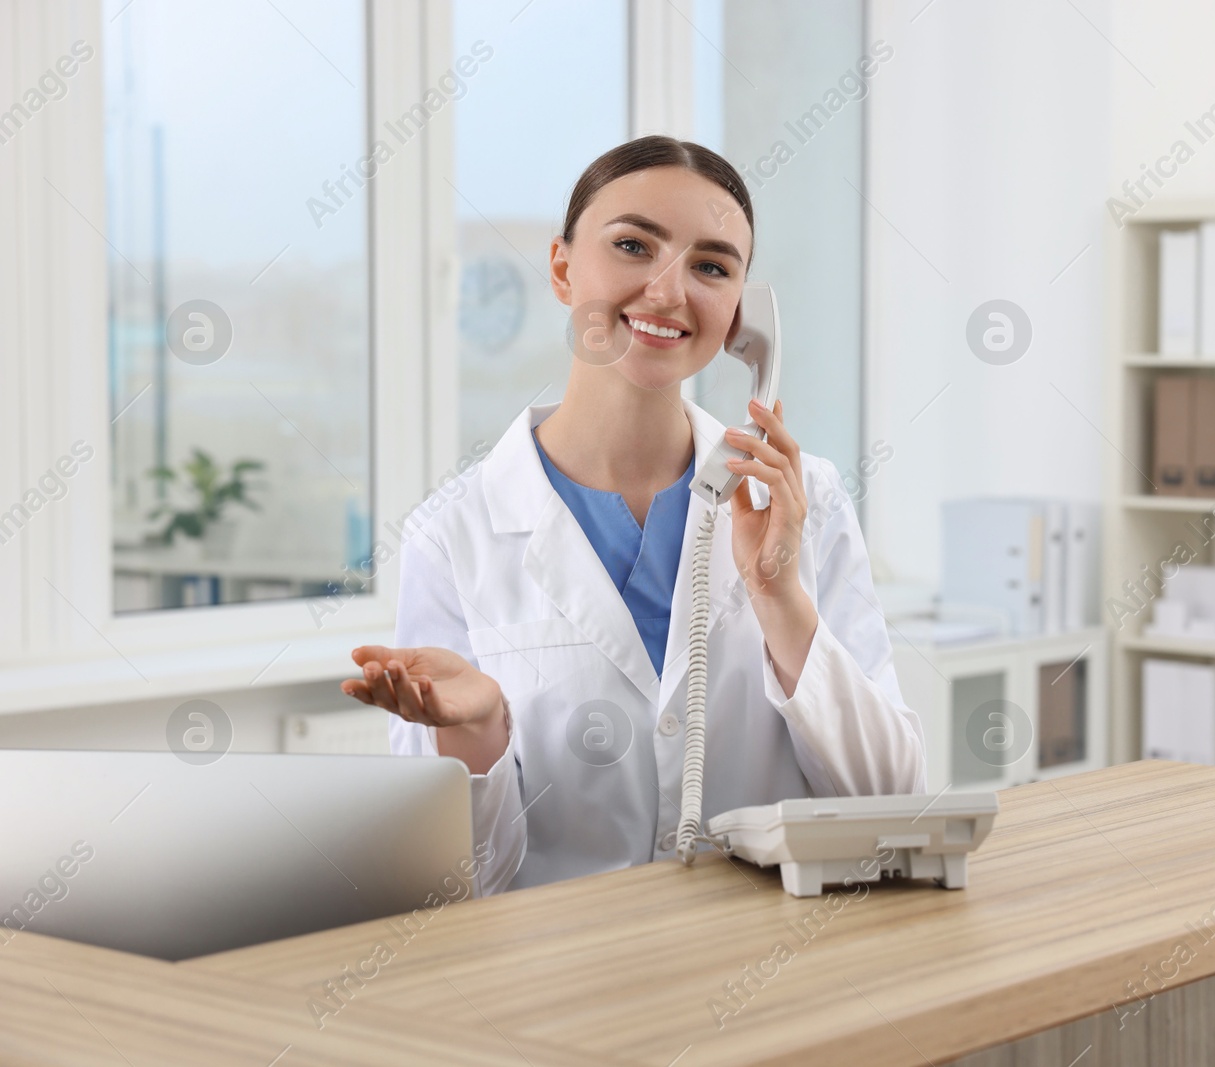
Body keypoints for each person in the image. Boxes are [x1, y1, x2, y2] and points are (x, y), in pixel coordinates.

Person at [339, 135, 926, 895]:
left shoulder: (803, 501)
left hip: (771, 972)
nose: (668, 291)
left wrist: (780, 598)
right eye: (632, 245)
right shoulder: (453, 534)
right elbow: (453, 886)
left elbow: (893, 803)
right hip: (564, 987)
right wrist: (477, 730)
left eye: (712, 266)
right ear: (561, 267)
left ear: (744, 316)